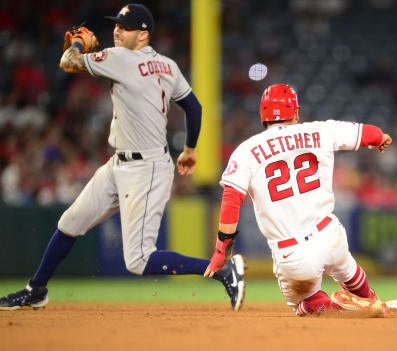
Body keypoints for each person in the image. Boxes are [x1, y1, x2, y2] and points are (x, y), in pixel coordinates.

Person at [0, 4, 245, 312]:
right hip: (121, 164)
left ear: (143, 34)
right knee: (70, 222)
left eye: (125, 27)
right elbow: (193, 107)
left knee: (139, 260)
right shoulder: (168, 65)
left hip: (147, 168)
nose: (116, 30)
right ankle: (36, 289)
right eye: (116, 25)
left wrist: (77, 44)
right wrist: (190, 149)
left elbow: (67, 62)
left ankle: (223, 270)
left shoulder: (120, 58)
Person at [204, 84, 392, 316]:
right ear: (295, 112)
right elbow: (369, 133)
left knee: (306, 304)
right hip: (330, 234)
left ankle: (339, 307)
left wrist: (222, 249)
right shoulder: (321, 130)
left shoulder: (246, 150)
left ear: (263, 115)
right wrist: (380, 138)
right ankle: (370, 299)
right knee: (348, 270)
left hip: (292, 252)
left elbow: (231, 199)